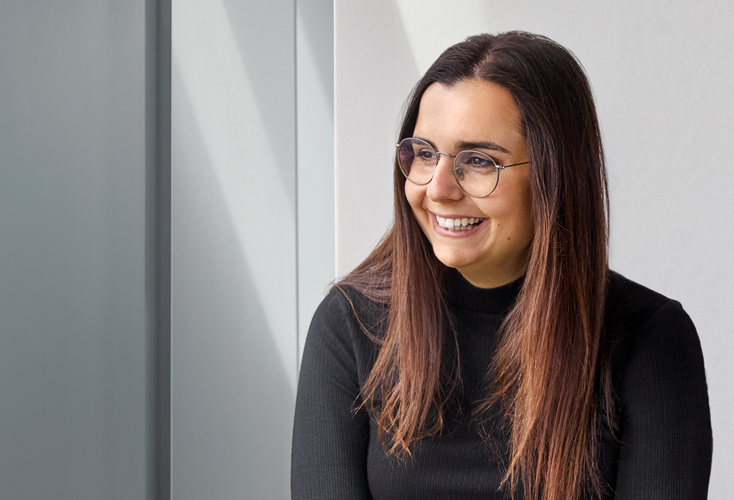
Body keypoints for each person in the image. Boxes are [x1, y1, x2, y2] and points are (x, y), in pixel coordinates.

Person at [291, 32, 712, 500]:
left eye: (479, 161)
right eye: (425, 153)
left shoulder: (650, 341)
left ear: (555, 177)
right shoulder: (349, 324)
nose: (438, 188)